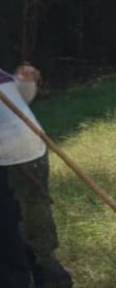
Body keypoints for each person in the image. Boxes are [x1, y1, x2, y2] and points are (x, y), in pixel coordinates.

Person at [0, 65, 73, 288]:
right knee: (16, 222)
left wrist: (26, 82)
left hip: (22, 154)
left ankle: (49, 278)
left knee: (29, 220)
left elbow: (19, 104)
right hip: (14, 154)